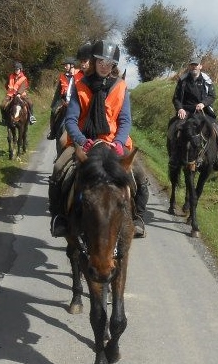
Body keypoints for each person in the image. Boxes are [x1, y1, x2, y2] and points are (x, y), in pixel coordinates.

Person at [48, 39, 149, 238]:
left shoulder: (121, 87)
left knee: (139, 174)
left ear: (114, 65)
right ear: (94, 61)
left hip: (113, 141)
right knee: (59, 168)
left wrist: (119, 142)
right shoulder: (80, 85)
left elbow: (125, 120)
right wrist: (82, 140)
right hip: (85, 141)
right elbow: (71, 119)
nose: (104, 65)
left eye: (109, 62)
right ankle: (59, 217)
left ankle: (137, 218)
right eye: (100, 61)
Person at [172, 55, 218, 170]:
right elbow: (176, 98)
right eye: (192, 65)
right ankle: (174, 156)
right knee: (176, 127)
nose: (194, 67)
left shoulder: (206, 80)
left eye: (196, 65)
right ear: (189, 66)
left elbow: (212, 96)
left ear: (200, 66)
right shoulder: (183, 80)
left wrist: (203, 103)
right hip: (186, 110)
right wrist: (180, 108)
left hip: (203, 110)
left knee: (216, 128)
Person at [47, 57, 77, 141]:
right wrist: (54, 104)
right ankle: (53, 132)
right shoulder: (63, 76)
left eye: (66, 65)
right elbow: (58, 91)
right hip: (64, 101)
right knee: (53, 112)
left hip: (76, 101)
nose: (64, 67)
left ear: (72, 65)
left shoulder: (79, 75)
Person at [0, 62, 36, 126]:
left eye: (17, 69)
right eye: (15, 69)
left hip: (21, 95)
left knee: (30, 103)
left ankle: (31, 117)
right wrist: (9, 91)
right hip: (10, 95)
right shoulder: (10, 76)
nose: (16, 70)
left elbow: (23, 86)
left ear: (20, 70)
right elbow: (6, 85)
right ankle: (4, 119)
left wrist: (19, 93)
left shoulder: (24, 78)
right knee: (2, 105)